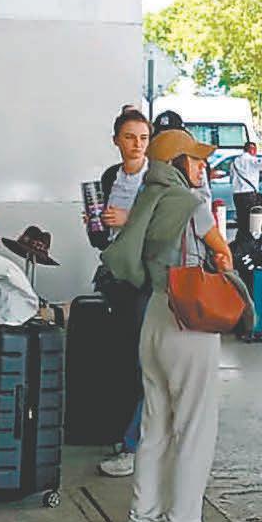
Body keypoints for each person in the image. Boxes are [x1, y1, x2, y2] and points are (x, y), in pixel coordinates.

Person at [102, 128, 240, 522]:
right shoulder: (190, 204)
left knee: (154, 428)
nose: (201, 166)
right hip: (189, 319)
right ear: (177, 163)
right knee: (194, 426)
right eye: (194, 159)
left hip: (155, 314)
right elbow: (223, 253)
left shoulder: (146, 198)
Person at [90, 109, 152, 479]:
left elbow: (163, 226)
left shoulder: (156, 179)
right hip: (116, 276)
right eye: (130, 137)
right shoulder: (110, 177)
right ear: (116, 140)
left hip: (144, 278)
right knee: (122, 358)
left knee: (146, 361)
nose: (137, 145)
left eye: (143, 138)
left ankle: (135, 444)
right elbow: (101, 238)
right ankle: (124, 432)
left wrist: (129, 221)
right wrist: (96, 225)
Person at [225, 141, 262, 245]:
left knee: (241, 219)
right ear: (252, 150)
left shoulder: (235, 161)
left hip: (237, 195)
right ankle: (249, 243)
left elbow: (232, 178)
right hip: (248, 194)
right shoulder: (251, 160)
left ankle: (241, 241)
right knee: (250, 220)